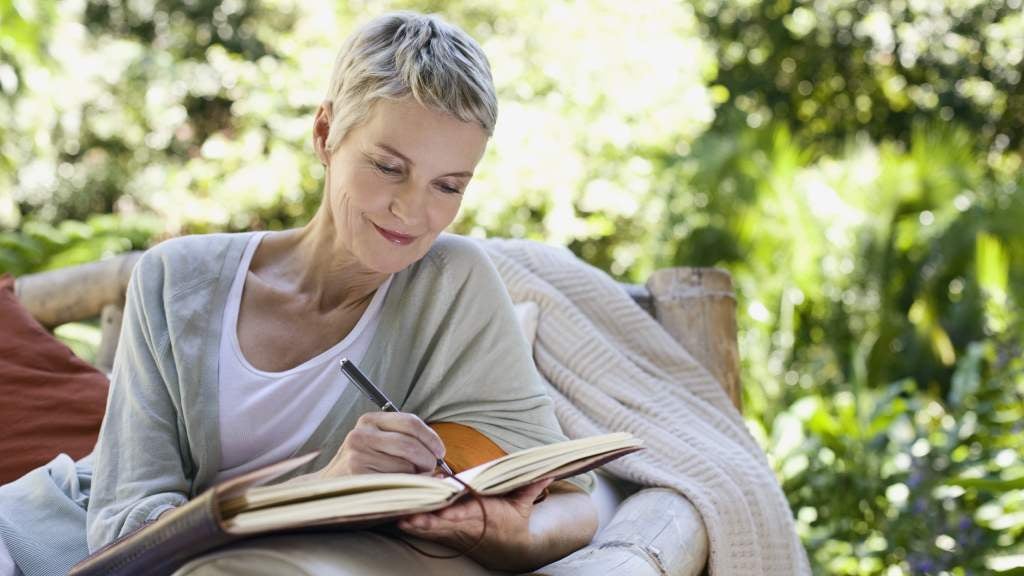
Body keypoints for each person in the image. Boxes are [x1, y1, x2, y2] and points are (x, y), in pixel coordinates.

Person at [0, 11, 598, 576]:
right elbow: (124, 526)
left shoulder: (453, 286)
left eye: (448, 185)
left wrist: (501, 535)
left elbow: (574, 502)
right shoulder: (174, 279)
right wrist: (324, 488)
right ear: (325, 133)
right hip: (44, 536)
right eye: (389, 167)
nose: (412, 210)